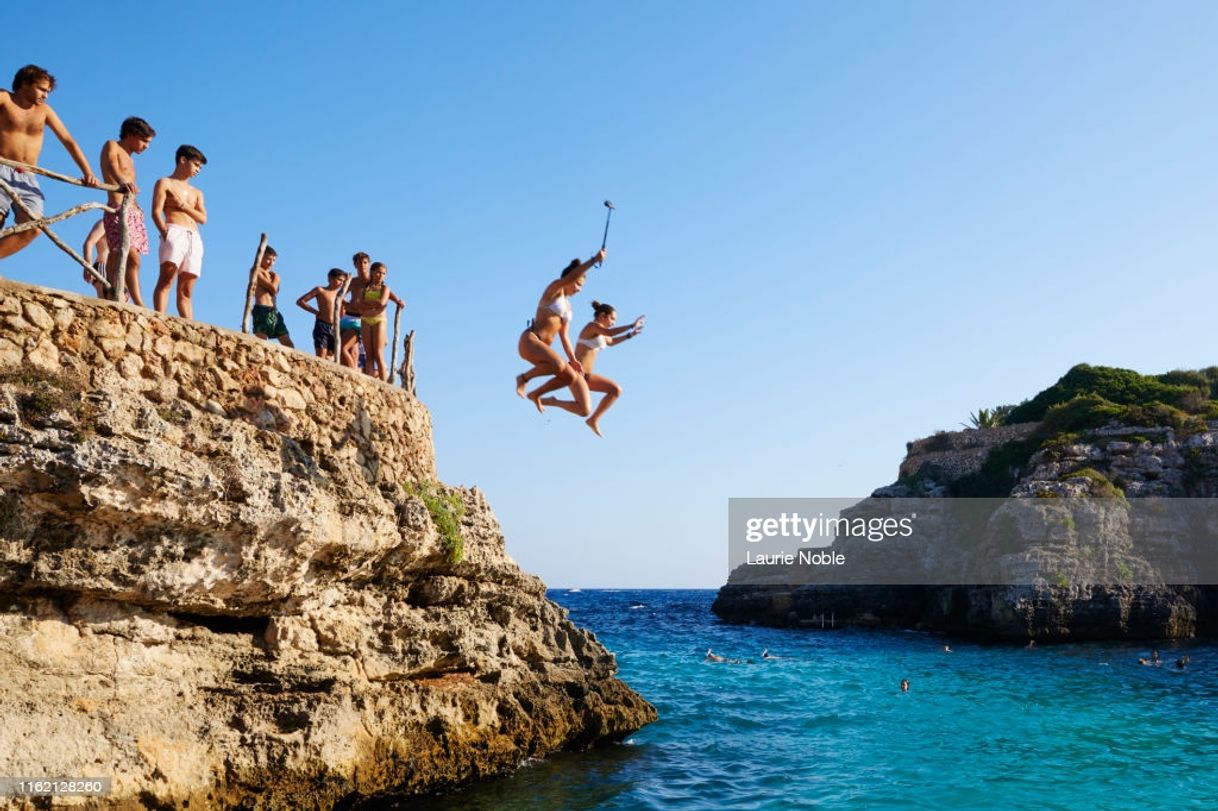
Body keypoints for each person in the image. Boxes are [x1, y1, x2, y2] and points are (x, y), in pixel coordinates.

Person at [0, 65, 99, 260]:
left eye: (48, 91)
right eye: (41, 89)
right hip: (2, 168)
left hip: (28, 176)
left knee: (34, 227)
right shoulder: (5, 98)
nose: (45, 95)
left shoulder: (44, 110)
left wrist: (88, 172)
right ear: (24, 84)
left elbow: (68, 141)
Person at [515, 249, 606, 414]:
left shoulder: (568, 307)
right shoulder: (554, 291)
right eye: (578, 284)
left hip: (543, 349)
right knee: (557, 365)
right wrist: (594, 260)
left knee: (569, 376)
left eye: (581, 286)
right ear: (570, 278)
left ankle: (536, 394)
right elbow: (570, 277)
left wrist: (573, 360)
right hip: (530, 341)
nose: (579, 289)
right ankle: (522, 379)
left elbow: (564, 337)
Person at [540, 300, 643, 435]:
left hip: (587, 376)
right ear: (602, 316)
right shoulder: (592, 326)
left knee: (615, 390)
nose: (613, 322)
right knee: (583, 411)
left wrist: (631, 335)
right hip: (574, 373)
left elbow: (611, 341)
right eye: (612, 318)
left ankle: (593, 420)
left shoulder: (602, 334)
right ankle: (554, 402)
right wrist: (630, 325)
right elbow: (610, 333)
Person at [99, 116, 155, 306]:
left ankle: (117, 291)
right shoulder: (112, 145)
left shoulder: (131, 159)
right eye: (144, 141)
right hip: (116, 208)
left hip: (132, 211)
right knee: (128, 254)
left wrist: (137, 207)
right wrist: (122, 181)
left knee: (126, 256)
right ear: (131, 135)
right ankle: (137, 301)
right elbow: (112, 165)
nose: (146, 146)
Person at [151, 145, 207, 318]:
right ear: (183, 160)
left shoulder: (197, 192)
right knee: (166, 279)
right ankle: (159, 318)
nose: (198, 169)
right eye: (196, 164)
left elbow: (203, 218)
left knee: (187, 288)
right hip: (174, 230)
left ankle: (189, 325)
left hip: (194, 236)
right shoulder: (165, 182)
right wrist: (164, 232)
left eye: (200, 167)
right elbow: (155, 211)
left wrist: (183, 205)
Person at [356, 261, 403, 380]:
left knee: (378, 353)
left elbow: (382, 302)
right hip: (365, 319)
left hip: (379, 320)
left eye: (383, 274)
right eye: (378, 273)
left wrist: (369, 304)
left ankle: (384, 382)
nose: (381, 275)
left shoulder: (385, 288)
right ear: (372, 272)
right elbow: (359, 304)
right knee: (369, 354)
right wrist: (374, 304)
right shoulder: (365, 288)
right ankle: (371, 380)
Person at [296, 268, 348, 359]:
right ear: (330, 279)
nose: (341, 283)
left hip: (335, 328)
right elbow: (301, 301)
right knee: (321, 355)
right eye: (339, 280)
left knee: (335, 355)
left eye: (343, 281)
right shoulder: (320, 290)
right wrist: (315, 312)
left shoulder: (340, 295)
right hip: (322, 325)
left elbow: (345, 310)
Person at [251, 247, 293, 347]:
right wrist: (277, 279)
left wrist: (275, 279)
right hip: (262, 309)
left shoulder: (271, 275)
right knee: (262, 340)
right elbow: (273, 288)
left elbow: (276, 292)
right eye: (268, 259)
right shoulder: (256, 271)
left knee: (286, 340)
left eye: (274, 260)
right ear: (261, 257)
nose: (271, 263)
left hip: (274, 311)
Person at [339, 251, 371, 369]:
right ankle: (350, 375)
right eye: (359, 263)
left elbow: (383, 299)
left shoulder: (372, 282)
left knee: (344, 349)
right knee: (352, 352)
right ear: (355, 265)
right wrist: (346, 303)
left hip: (360, 319)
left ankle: (352, 375)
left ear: (369, 264)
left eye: (365, 262)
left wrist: (398, 300)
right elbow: (339, 296)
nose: (362, 265)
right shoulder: (352, 281)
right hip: (347, 317)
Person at [81, 217, 108, 297]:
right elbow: (89, 243)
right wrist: (88, 266)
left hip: (120, 270)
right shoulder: (104, 223)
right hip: (103, 266)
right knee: (106, 302)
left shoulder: (127, 227)